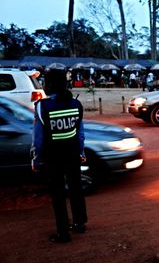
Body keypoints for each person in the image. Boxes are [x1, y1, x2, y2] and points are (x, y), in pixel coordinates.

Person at [31, 70, 88, 243]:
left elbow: (38, 138)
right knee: (76, 188)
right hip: (72, 153)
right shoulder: (76, 104)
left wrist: (36, 159)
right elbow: (80, 133)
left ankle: (63, 233)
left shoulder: (42, 106)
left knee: (58, 194)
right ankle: (79, 224)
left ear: (49, 85)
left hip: (52, 156)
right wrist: (81, 152)